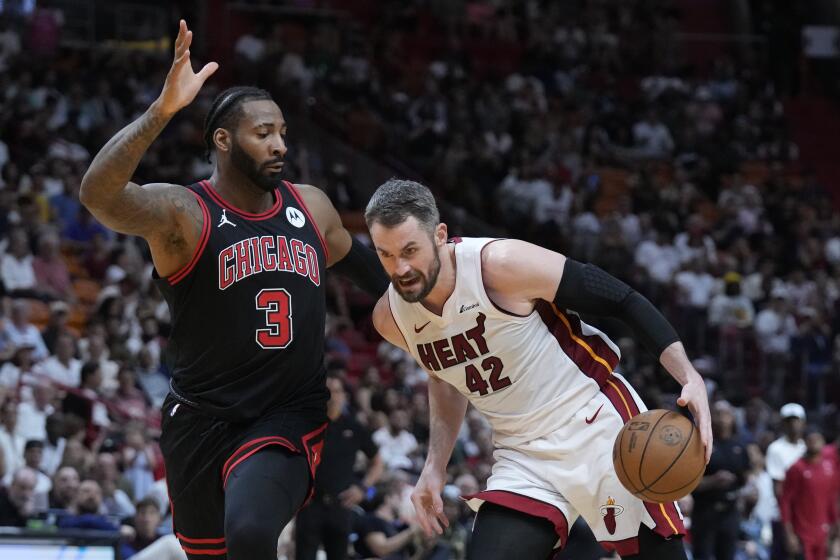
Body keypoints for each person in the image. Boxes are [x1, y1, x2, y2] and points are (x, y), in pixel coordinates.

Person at [79, 20, 387, 560]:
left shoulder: (310, 206)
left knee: (250, 535)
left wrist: (434, 307)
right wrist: (161, 112)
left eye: (282, 132)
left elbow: (371, 273)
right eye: (262, 132)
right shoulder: (186, 214)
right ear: (223, 140)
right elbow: (99, 196)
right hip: (200, 421)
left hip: (287, 414)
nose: (279, 144)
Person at [365, 179, 713, 559]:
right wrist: (435, 465)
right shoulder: (391, 318)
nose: (400, 268)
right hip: (522, 453)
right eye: (385, 255)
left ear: (440, 235)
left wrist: (689, 378)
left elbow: (622, 299)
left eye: (410, 250)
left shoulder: (500, 266)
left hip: (593, 422)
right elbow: (445, 378)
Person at [295, 373, 384, 560]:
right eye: (327, 391)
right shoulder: (307, 425)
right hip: (310, 504)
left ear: (344, 395)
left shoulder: (354, 427)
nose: (332, 395)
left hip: (341, 505)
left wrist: (363, 488)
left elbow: (377, 463)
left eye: (336, 391)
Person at [690, 401, 751, 560]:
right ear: (710, 417)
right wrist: (712, 481)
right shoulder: (700, 444)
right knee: (701, 555)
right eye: (717, 414)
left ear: (732, 418)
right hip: (705, 511)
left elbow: (745, 479)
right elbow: (689, 484)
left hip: (730, 512)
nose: (722, 418)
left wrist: (748, 492)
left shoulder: (740, 446)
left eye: (726, 414)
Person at [780, 429, 838, 560]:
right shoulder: (796, 468)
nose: (814, 443)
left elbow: (831, 499)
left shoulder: (829, 467)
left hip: (823, 532)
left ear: (823, 443)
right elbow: (785, 501)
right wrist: (789, 533)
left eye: (817, 439)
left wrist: (835, 525)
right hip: (802, 532)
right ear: (805, 442)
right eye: (810, 439)